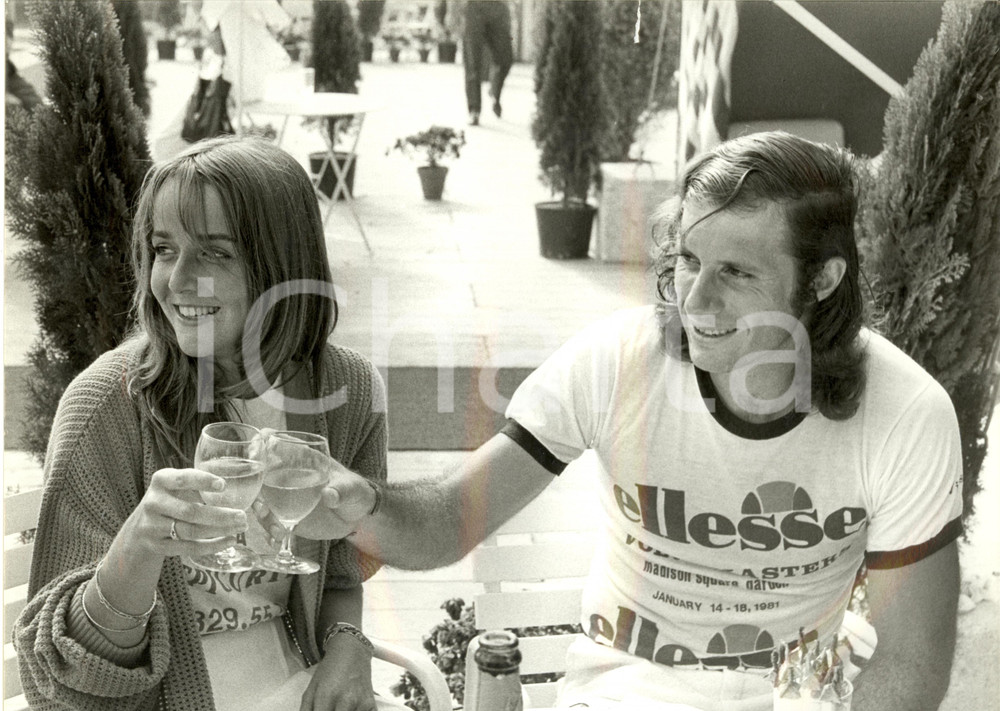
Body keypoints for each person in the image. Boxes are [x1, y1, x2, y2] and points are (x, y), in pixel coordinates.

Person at [277, 132, 964, 710]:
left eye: (737, 273)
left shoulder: (907, 413)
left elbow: (911, 661)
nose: (696, 298)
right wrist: (361, 503)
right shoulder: (618, 359)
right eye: (687, 261)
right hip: (624, 690)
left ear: (822, 279)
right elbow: (449, 519)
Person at [13, 136, 407, 711]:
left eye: (216, 252)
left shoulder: (345, 393)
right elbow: (61, 675)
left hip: (290, 688)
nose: (175, 281)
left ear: (282, 264)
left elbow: (341, 573)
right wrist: (139, 547)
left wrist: (349, 644)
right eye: (164, 249)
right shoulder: (104, 405)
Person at [462, 0, 513, 126]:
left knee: (505, 59)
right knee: (473, 62)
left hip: (498, 6)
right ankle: (474, 110)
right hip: (475, 7)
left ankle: (495, 91)